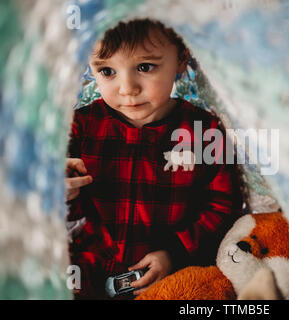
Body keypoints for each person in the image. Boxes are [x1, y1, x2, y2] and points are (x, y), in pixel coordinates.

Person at [65, 19, 243, 299]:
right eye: (107, 71)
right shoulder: (78, 127)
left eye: (145, 67)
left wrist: (174, 251)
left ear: (181, 57)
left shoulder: (203, 130)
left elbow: (223, 205)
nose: (127, 89)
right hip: (85, 272)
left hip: (171, 275)